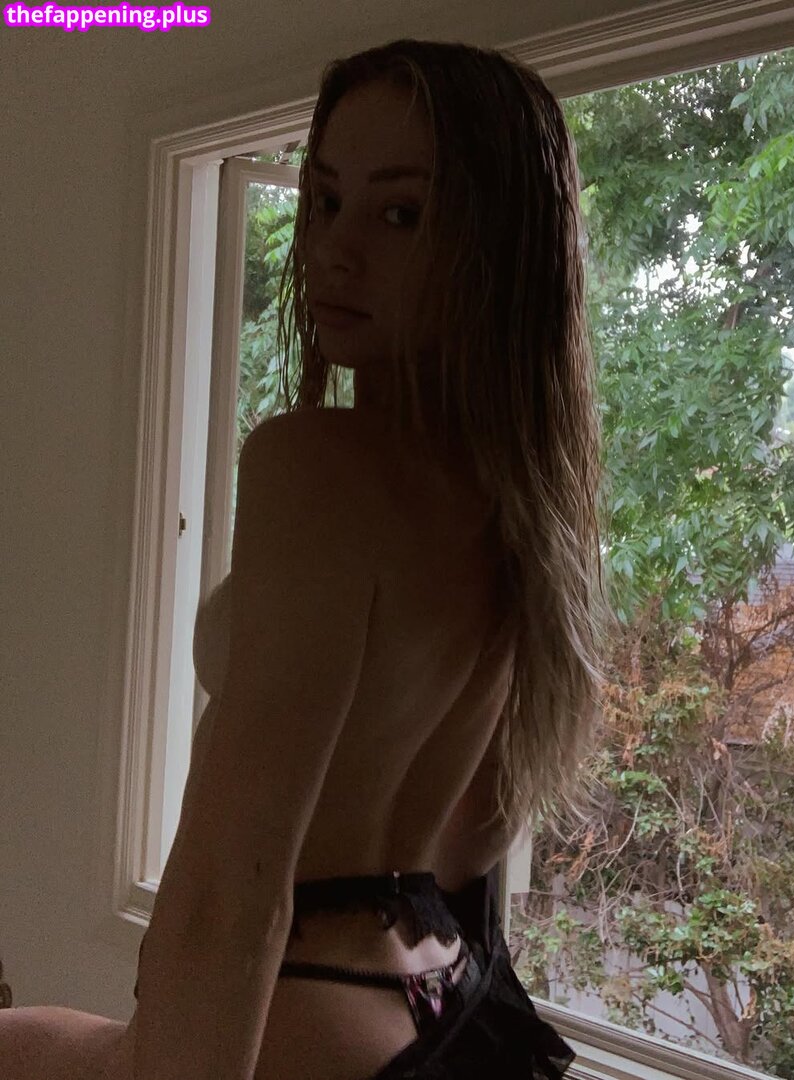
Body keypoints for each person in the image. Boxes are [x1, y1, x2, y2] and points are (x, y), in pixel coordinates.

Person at [0, 36, 611, 1080]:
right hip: (451, 997)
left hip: (316, 1001)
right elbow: (472, 834)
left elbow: (228, 899)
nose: (333, 250)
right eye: (324, 200)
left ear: (497, 245)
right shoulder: (523, 502)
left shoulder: (315, 468)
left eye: (400, 214)